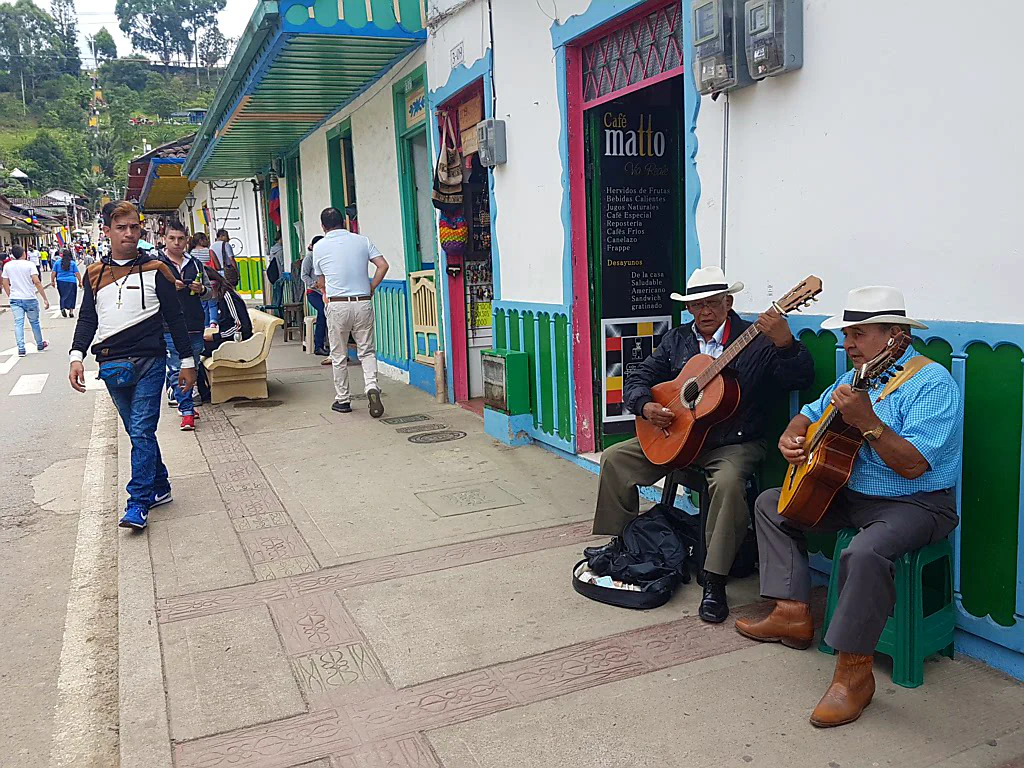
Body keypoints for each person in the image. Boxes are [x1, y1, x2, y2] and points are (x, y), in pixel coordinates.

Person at [735, 286, 962, 728]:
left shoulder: (932, 383)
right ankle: (791, 613)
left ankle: (854, 674)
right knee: (770, 503)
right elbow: (809, 412)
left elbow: (915, 466)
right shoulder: (853, 377)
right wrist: (792, 435)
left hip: (916, 503)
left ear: (895, 335)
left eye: (858, 334)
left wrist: (869, 423)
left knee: (864, 551)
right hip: (853, 496)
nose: (848, 344)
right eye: (847, 335)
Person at [588, 266, 815, 623]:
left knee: (726, 484)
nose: (705, 311)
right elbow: (639, 377)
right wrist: (645, 405)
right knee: (616, 458)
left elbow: (799, 378)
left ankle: (714, 578)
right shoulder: (677, 340)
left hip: (734, 442)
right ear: (689, 308)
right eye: (697, 305)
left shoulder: (755, 339)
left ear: (729, 302)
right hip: (681, 437)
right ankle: (623, 542)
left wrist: (785, 343)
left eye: (712, 303)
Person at [69, 201, 196, 531]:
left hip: (150, 363)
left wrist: (187, 362)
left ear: (140, 230)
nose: (128, 233)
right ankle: (161, 485)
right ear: (107, 231)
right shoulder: (94, 275)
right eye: (121, 227)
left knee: (140, 431)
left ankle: (137, 503)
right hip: (111, 367)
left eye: (134, 227)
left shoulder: (157, 270)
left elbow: (175, 319)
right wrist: (76, 356)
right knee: (138, 432)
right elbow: (87, 319)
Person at [312, 206, 388, 417]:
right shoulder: (362, 240)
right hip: (362, 301)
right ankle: (371, 386)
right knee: (367, 351)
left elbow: (321, 281)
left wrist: (326, 292)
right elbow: (383, 265)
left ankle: (343, 400)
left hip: (337, 305)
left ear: (323, 226)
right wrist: (371, 286)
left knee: (338, 355)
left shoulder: (319, 246)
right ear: (343, 222)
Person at [158, 220, 212, 430]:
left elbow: (210, 293)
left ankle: (185, 399)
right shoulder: (157, 263)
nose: (176, 243)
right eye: (172, 238)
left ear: (187, 240)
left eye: (181, 239)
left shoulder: (196, 264)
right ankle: (187, 409)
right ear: (165, 239)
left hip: (194, 323)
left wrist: (200, 290)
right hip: (168, 325)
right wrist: (170, 287)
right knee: (175, 369)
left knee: (193, 367)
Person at [1, 244, 50, 356]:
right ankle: (39, 344)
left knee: (18, 323)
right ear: (24, 253)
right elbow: (36, 282)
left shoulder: (7, 266)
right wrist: (45, 298)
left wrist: (10, 294)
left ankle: (21, 348)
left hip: (15, 298)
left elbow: (4, 282)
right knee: (34, 322)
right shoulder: (30, 265)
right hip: (29, 297)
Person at [206, 269, 253, 351]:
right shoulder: (220, 296)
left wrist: (216, 336)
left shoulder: (227, 296)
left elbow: (239, 325)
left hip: (236, 339)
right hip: (228, 336)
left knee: (197, 347)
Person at [301, 235, 330, 362]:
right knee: (322, 312)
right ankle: (318, 346)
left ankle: (327, 342)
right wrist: (314, 284)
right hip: (313, 292)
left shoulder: (325, 257)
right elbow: (304, 275)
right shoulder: (309, 258)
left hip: (325, 292)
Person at [188, 232, 218, 328]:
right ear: (201, 241)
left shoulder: (191, 254)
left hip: (199, 282)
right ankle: (213, 323)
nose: (207, 241)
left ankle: (205, 325)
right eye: (205, 239)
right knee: (212, 304)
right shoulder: (209, 251)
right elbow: (217, 266)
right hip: (212, 279)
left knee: (203, 304)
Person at [50, 248, 82, 317]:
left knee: (62, 296)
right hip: (71, 281)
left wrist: (52, 281)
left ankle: (62, 308)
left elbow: (53, 273)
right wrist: (80, 281)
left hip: (60, 281)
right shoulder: (72, 263)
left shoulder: (57, 262)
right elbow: (77, 273)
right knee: (72, 296)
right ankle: (71, 311)